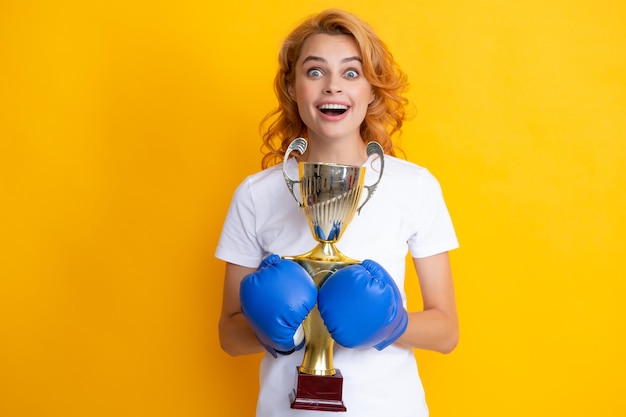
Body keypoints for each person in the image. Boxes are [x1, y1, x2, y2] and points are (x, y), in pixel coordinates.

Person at [216, 8, 459, 417]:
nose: (333, 87)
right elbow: (229, 336)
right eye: (315, 72)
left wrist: (392, 325)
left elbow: (447, 331)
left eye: (351, 73)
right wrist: (271, 329)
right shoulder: (256, 195)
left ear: (372, 90)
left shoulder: (414, 187)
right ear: (293, 88)